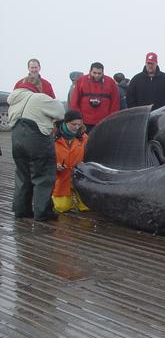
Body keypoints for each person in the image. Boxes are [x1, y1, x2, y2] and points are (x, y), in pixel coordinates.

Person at [7, 78, 65, 221]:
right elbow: (60, 112)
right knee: (43, 176)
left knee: (22, 175)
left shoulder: (14, 100)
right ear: (37, 87)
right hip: (37, 141)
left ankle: (21, 210)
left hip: (17, 140)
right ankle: (42, 212)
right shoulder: (39, 97)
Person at [52, 110, 90, 212]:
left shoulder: (84, 137)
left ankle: (77, 198)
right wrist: (55, 165)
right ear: (65, 122)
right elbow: (44, 156)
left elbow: (90, 156)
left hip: (79, 176)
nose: (77, 127)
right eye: (73, 124)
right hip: (61, 176)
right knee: (62, 208)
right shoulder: (53, 137)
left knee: (86, 207)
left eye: (79, 124)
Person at [70, 62, 120, 133]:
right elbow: (74, 101)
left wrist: (111, 118)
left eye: (99, 73)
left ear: (103, 72)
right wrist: (78, 118)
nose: (96, 75)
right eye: (94, 73)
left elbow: (115, 102)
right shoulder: (81, 81)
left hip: (104, 121)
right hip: (84, 122)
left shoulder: (110, 82)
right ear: (90, 71)